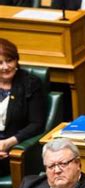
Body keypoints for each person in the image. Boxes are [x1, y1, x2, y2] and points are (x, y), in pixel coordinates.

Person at [0, 38, 46, 176]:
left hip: (10, 149)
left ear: (16, 60)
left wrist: (8, 143)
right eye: (0, 63)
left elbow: (36, 124)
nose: (5, 67)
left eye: (9, 60)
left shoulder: (29, 83)